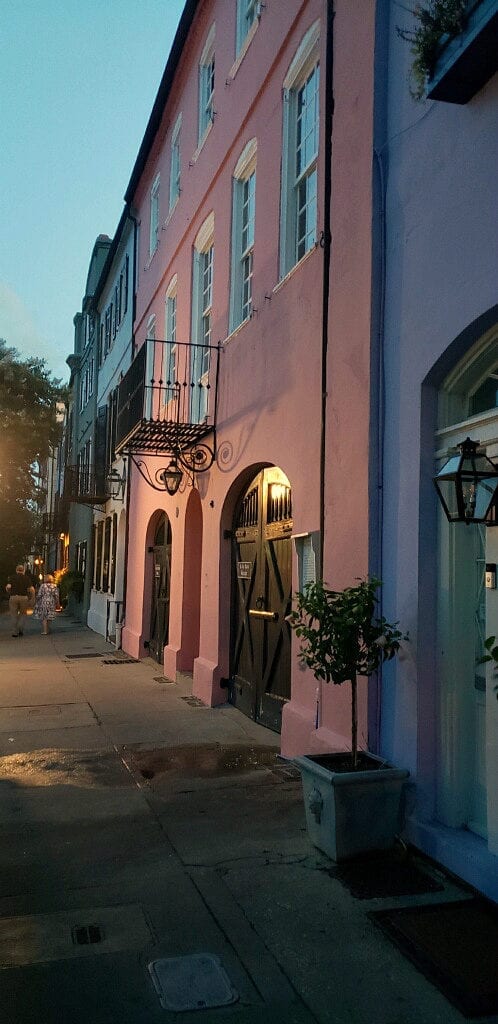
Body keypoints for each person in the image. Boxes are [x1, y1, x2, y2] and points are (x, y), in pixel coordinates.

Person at [5, 565, 35, 637]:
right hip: (24, 597)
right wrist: (32, 598)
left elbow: (8, 587)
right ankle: (20, 630)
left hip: (14, 597)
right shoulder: (27, 578)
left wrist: (9, 592)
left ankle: (14, 632)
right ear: (23, 570)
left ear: (16, 570)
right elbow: (31, 589)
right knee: (23, 614)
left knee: (13, 615)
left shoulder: (12, 577)